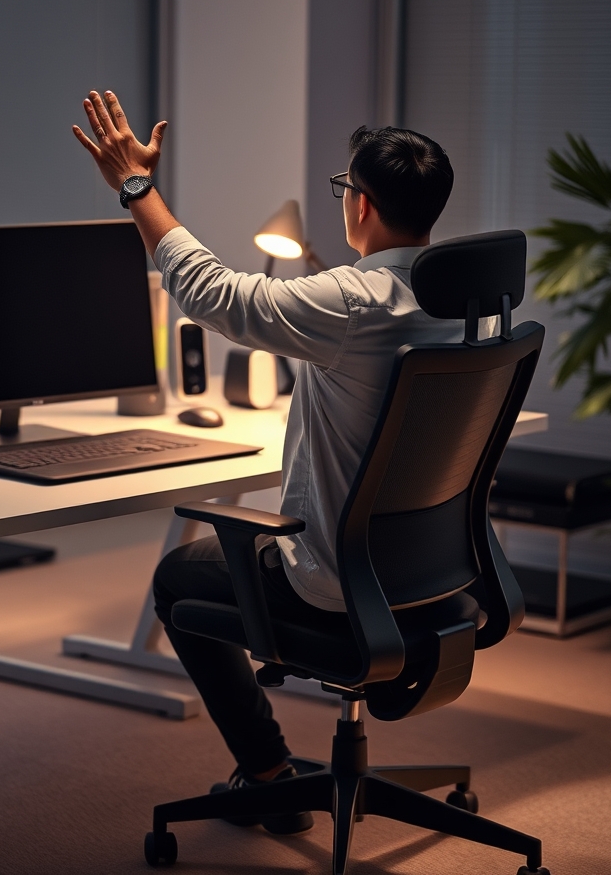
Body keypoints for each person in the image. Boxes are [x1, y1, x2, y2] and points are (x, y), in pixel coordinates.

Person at [73, 89, 467, 835]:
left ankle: (267, 772)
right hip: (432, 576)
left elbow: (212, 293)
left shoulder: (354, 302)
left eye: (346, 188)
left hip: (337, 585)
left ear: (362, 205)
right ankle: (271, 770)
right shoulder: (463, 300)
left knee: (176, 575)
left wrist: (137, 188)